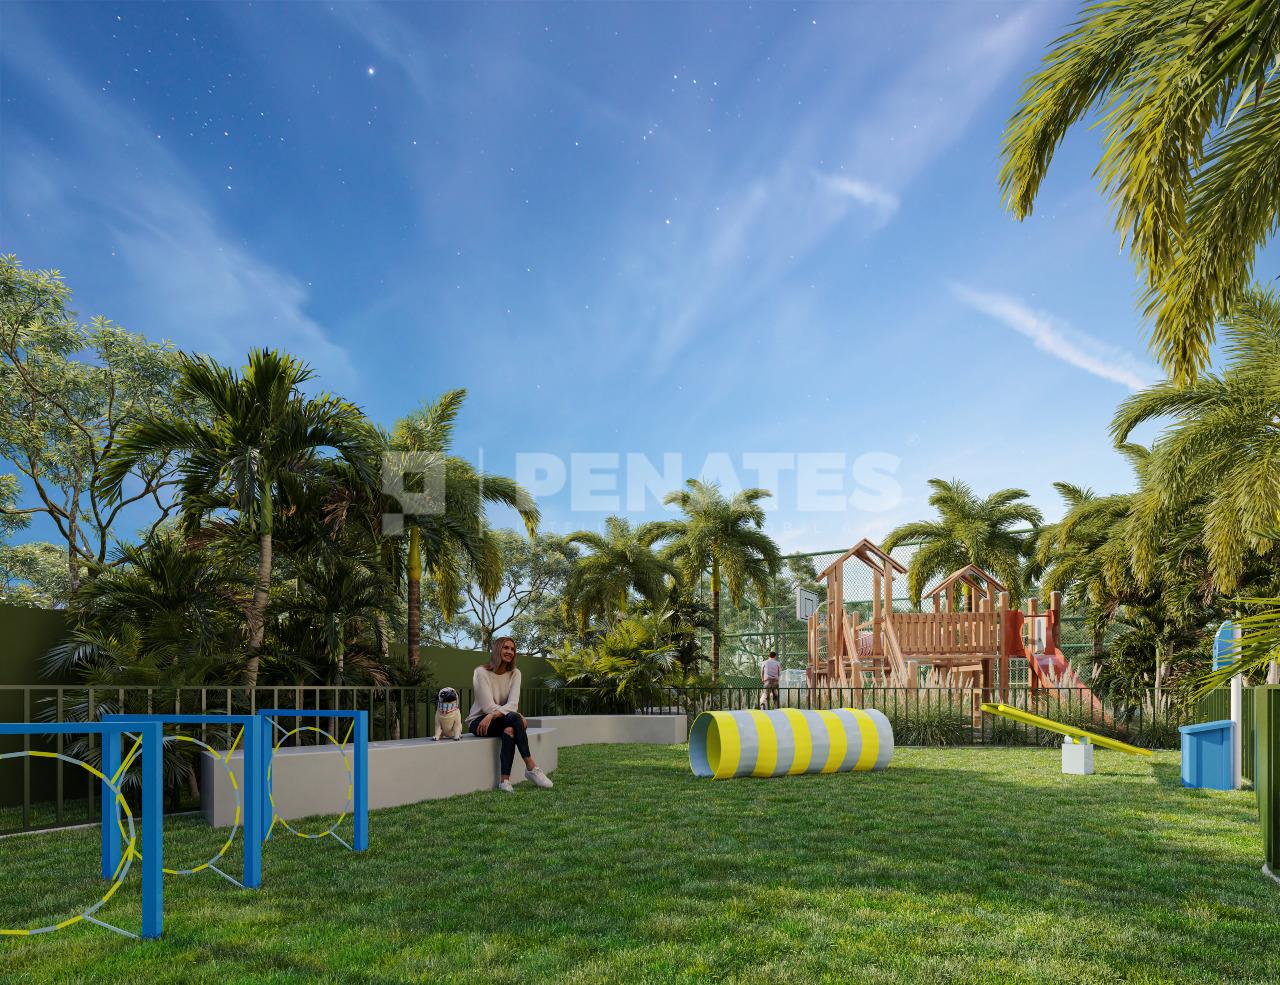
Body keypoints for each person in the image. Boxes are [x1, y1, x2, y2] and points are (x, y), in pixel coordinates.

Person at [466, 636, 554, 793]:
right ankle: (531, 767)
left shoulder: (515, 673)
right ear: (497, 649)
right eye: (505, 647)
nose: (510, 652)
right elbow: (487, 707)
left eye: (512, 649)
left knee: (510, 729)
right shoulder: (480, 672)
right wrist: (501, 715)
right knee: (514, 718)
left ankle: (504, 781)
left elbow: (513, 704)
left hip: (499, 719)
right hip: (479, 722)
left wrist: (496, 715)